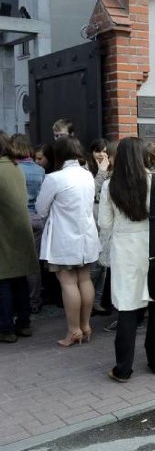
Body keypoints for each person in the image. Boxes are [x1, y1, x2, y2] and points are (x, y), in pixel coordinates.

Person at [98, 138, 155, 382]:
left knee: (127, 308)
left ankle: (123, 368)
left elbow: (105, 224)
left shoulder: (110, 186)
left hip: (125, 251)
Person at [35, 136, 100, 346]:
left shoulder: (55, 178)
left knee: (68, 283)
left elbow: (41, 208)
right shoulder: (88, 175)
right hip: (86, 235)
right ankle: (86, 326)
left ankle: (74, 331)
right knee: (84, 279)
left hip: (63, 238)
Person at [0, 132, 40, 343]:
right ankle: (24, 323)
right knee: (20, 280)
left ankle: (6, 328)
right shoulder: (15, 167)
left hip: (4, 232)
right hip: (19, 231)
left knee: (4, 281)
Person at [9, 134, 45, 315]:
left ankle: (16, 302)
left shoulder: (14, 169)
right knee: (33, 264)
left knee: (14, 263)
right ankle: (34, 301)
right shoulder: (39, 170)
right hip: (37, 218)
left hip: (18, 219)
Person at [88, 138, 112, 316]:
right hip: (93, 218)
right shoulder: (86, 170)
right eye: (98, 150)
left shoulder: (112, 169)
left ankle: (98, 301)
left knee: (104, 265)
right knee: (95, 265)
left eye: (104, 151)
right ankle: (89, 302)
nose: (102, 154)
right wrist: (102, 172)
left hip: (107, 220)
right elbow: (92, 193)